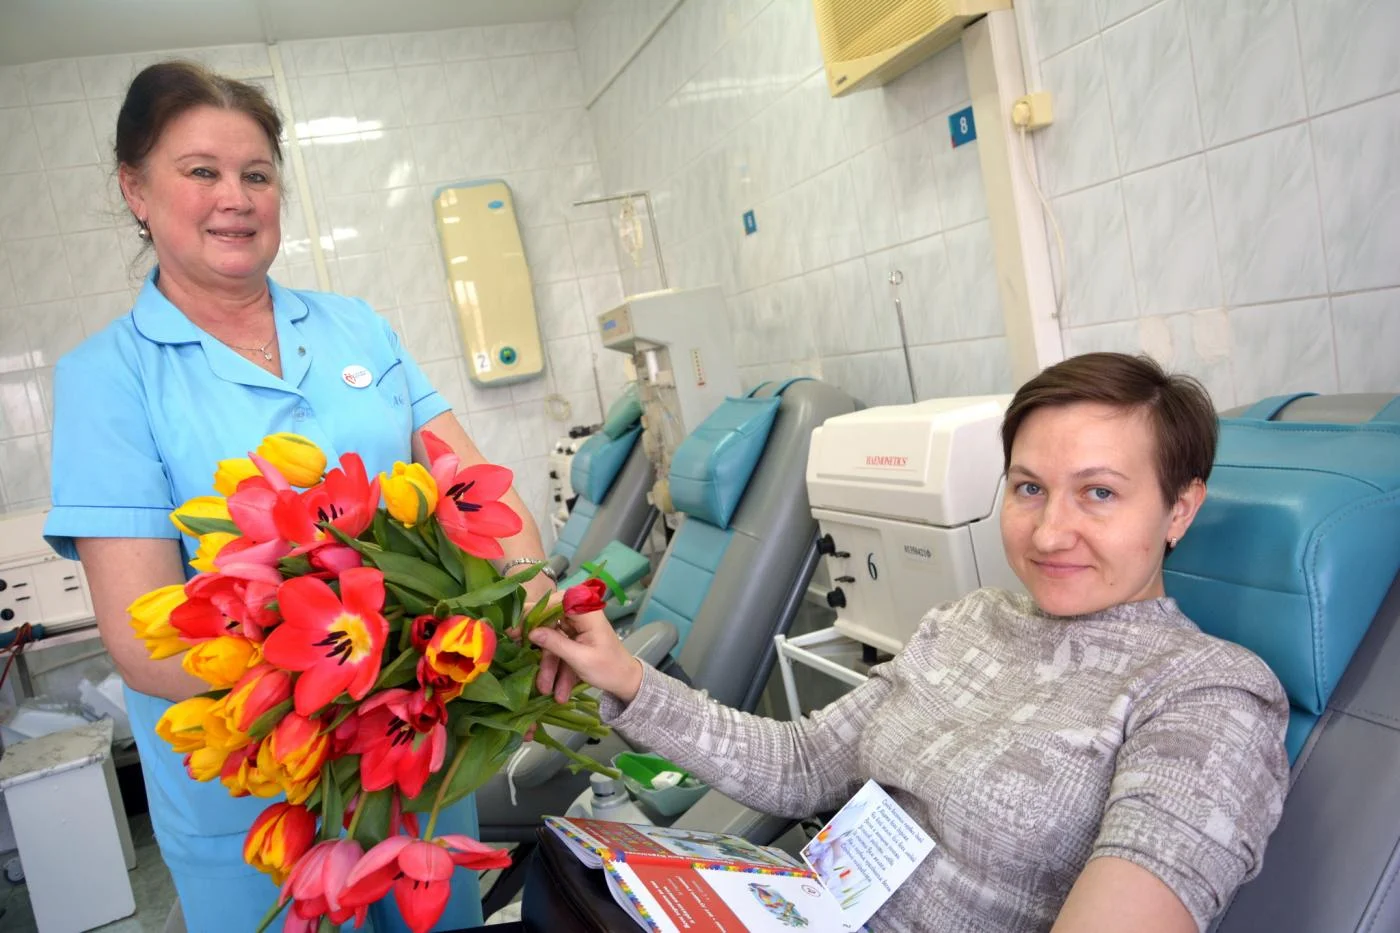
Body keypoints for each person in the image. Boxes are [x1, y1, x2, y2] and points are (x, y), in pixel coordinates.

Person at [43, 61, 554, 933]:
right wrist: (354, 686)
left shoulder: (357, 327)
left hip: (414, 762)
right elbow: (139, 640)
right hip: (262, 791)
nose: (234, 198)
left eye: (256, 174)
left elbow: (474, 491)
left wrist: (530, 605)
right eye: (201, 171)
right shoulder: (108, 378)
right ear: (135, 189)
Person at [531, 352, 1291, 933]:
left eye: (1099, 492)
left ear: (1179, 508)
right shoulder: (968, 623)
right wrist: (626, 677)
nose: (1050, 532)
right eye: (1029, 488)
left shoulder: (1207, 694)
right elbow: (802, 764)